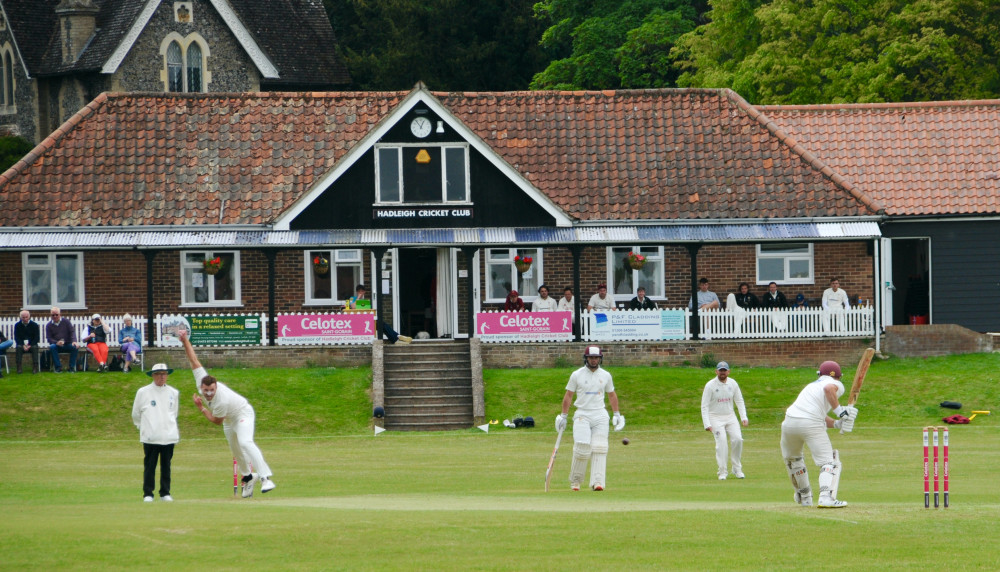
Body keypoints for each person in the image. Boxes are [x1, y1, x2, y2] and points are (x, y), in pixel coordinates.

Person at [182, 329, 276, 497]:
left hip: (242, 414)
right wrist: (184, 340)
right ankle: (248, 477)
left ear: (216, 387)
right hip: (228, 420)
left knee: (245, 442)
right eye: (206, 391)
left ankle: (265, 478)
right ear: (201, 387)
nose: (208, 393)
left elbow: (216, 420)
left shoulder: (220, 400)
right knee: (236, 450)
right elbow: (193, 359)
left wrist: (201, 408)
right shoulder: (201, 380)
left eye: (211, 390)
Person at [780, 360, 858, 508]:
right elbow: (829, 389)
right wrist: (839, 411)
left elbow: (815, 413)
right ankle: (825, 497)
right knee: (829, 462)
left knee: (794, 460)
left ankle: (805, 498)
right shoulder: (835, 384)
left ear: (819, 374)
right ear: (839, 377)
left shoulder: (811, 386)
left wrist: (836, 423)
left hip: (789, 422)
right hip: (811, 424)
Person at [555, 345, 625, 491]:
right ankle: (576, 482)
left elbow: (612, 394)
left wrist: (617, 414)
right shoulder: (577, 374)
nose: (594, 360)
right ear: (586, 358)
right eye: (591, 358)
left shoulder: (606, 375)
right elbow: (568, 395)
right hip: (582, 414)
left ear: (600, 358)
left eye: (596, 358)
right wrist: (563, 416)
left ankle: (598, 482)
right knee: (582, 447)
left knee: (600, 447)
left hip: (600, 414)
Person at [131, 363, 179, 502]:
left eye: (164, 374)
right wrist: (144, 428)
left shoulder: (173, 393)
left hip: (168, 436)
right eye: (159, 374)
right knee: (150, 466)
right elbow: (136, 413)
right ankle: (148, 494)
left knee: (166, 466)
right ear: (153, 375)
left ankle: (165, 492)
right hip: (150, 437)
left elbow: (174, 413)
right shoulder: (143, 392)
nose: (162, 377)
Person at [701, 361, 749, 480]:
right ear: (716, 371)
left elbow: (739, 400)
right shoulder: (710, 385)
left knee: (738, 439)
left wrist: (744, 417)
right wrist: (707, 423)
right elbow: (704, 405)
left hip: (730, 416)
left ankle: (737, 469)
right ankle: (722, 472)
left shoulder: (733, 383)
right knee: (722, 443)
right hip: (715, 417)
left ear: (728, 371)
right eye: (720, 370)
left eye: (724, 370)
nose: (722, 372)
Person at [45, 306, 78, 373]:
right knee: (52, 347)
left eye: (56, 314)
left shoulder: (66, 322)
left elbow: (72, 331)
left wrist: (74, 341)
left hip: (67, 343)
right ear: (50, 315)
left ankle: (71, 368)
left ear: (60, 315)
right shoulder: (49, 325)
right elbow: (49, 338)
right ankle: (58, 368)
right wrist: (56, 342)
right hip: (57, 345)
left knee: (75, 347)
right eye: (53, 315)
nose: (55, 316)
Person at [13, 310, 41, 374]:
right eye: (23, 317)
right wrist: (23, 345)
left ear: (29, 317)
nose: (25, 319)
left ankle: (35, 366)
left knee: (34, 347)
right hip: (22, 344)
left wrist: (30, 345)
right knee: (19, 347)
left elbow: (36, 338)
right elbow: (16, 337)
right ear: (20, 317)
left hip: (31, 344)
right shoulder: (17, 325)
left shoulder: (34, 325)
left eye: (26, 317)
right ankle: (19, 367)